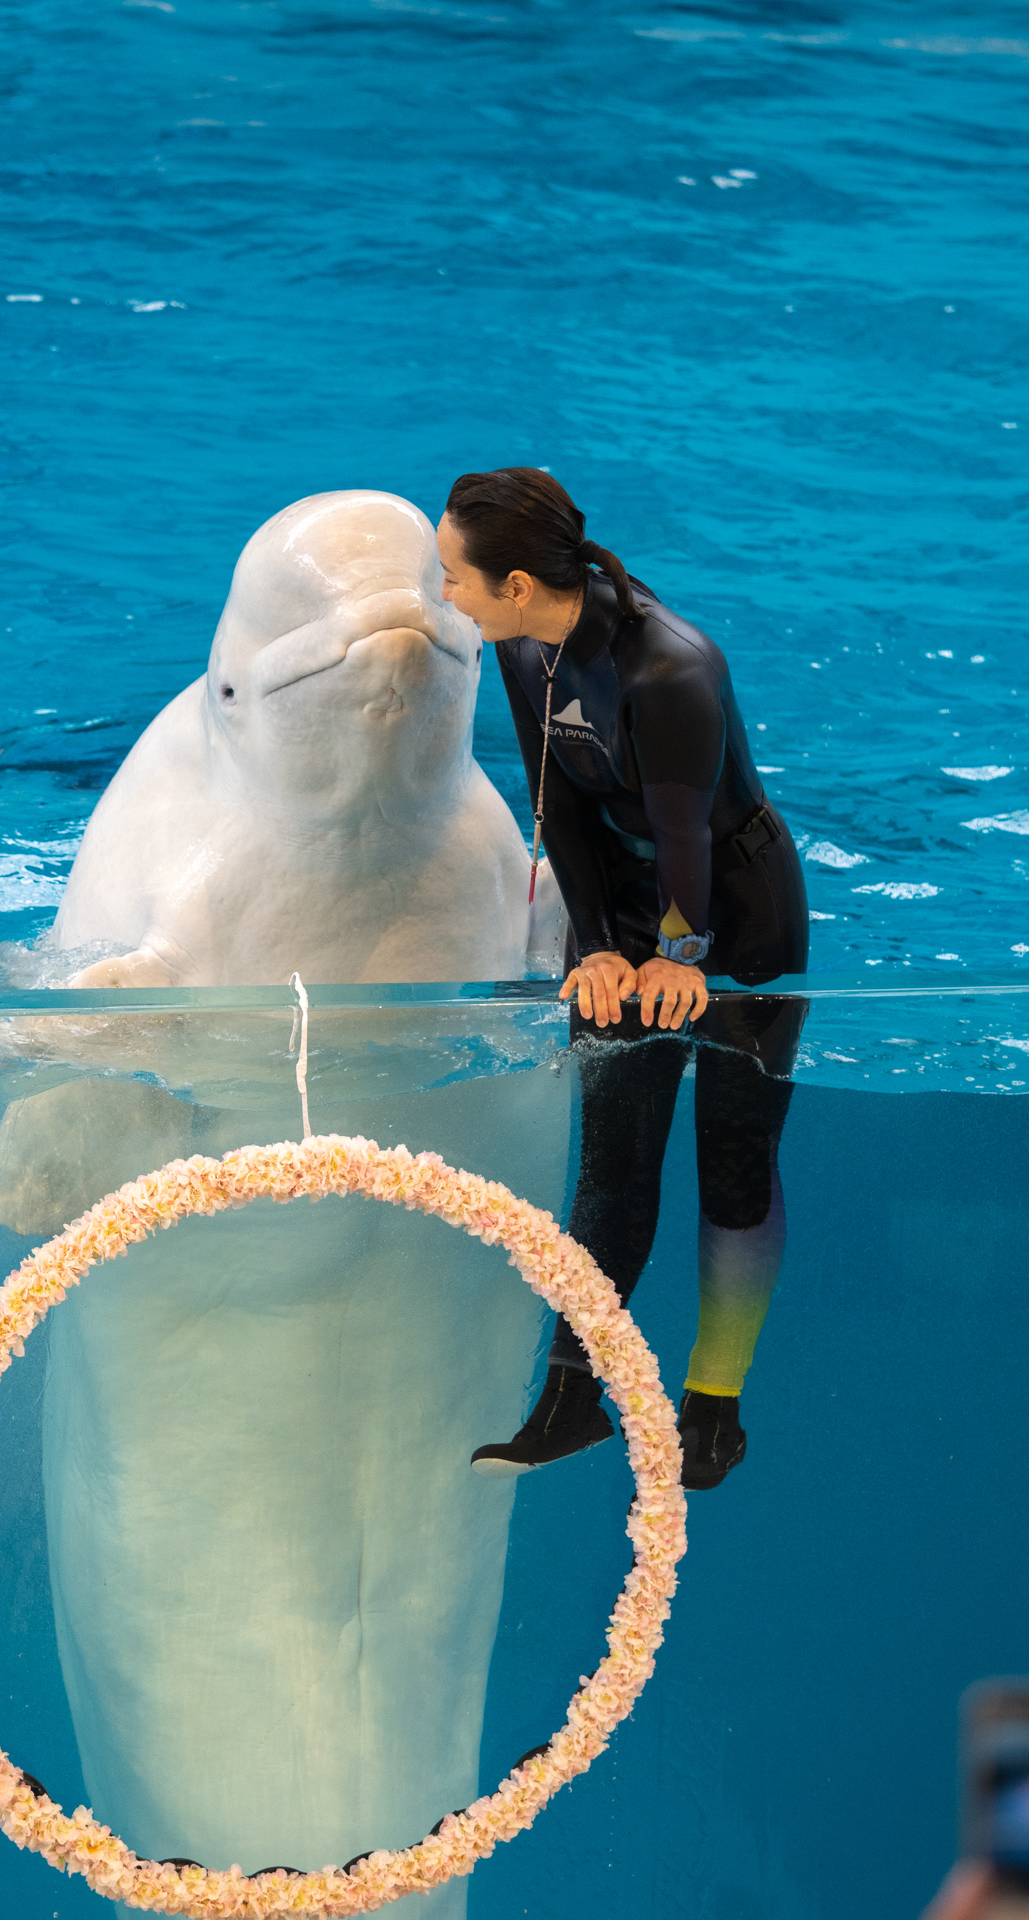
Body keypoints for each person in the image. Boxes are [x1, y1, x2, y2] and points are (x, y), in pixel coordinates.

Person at [437, 467, 809, 1490]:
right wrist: (599, 946)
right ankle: (571, 1398)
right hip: (627, 900)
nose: (446, 596)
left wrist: (678, 961)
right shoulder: (521, 647)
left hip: (738, 910)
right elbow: (559, 809)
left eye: (454, 576)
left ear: (517, 584)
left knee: (733, 1165)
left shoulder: (671, 669)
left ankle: (715, 1405)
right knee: (615, 1163)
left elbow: (689, 837)